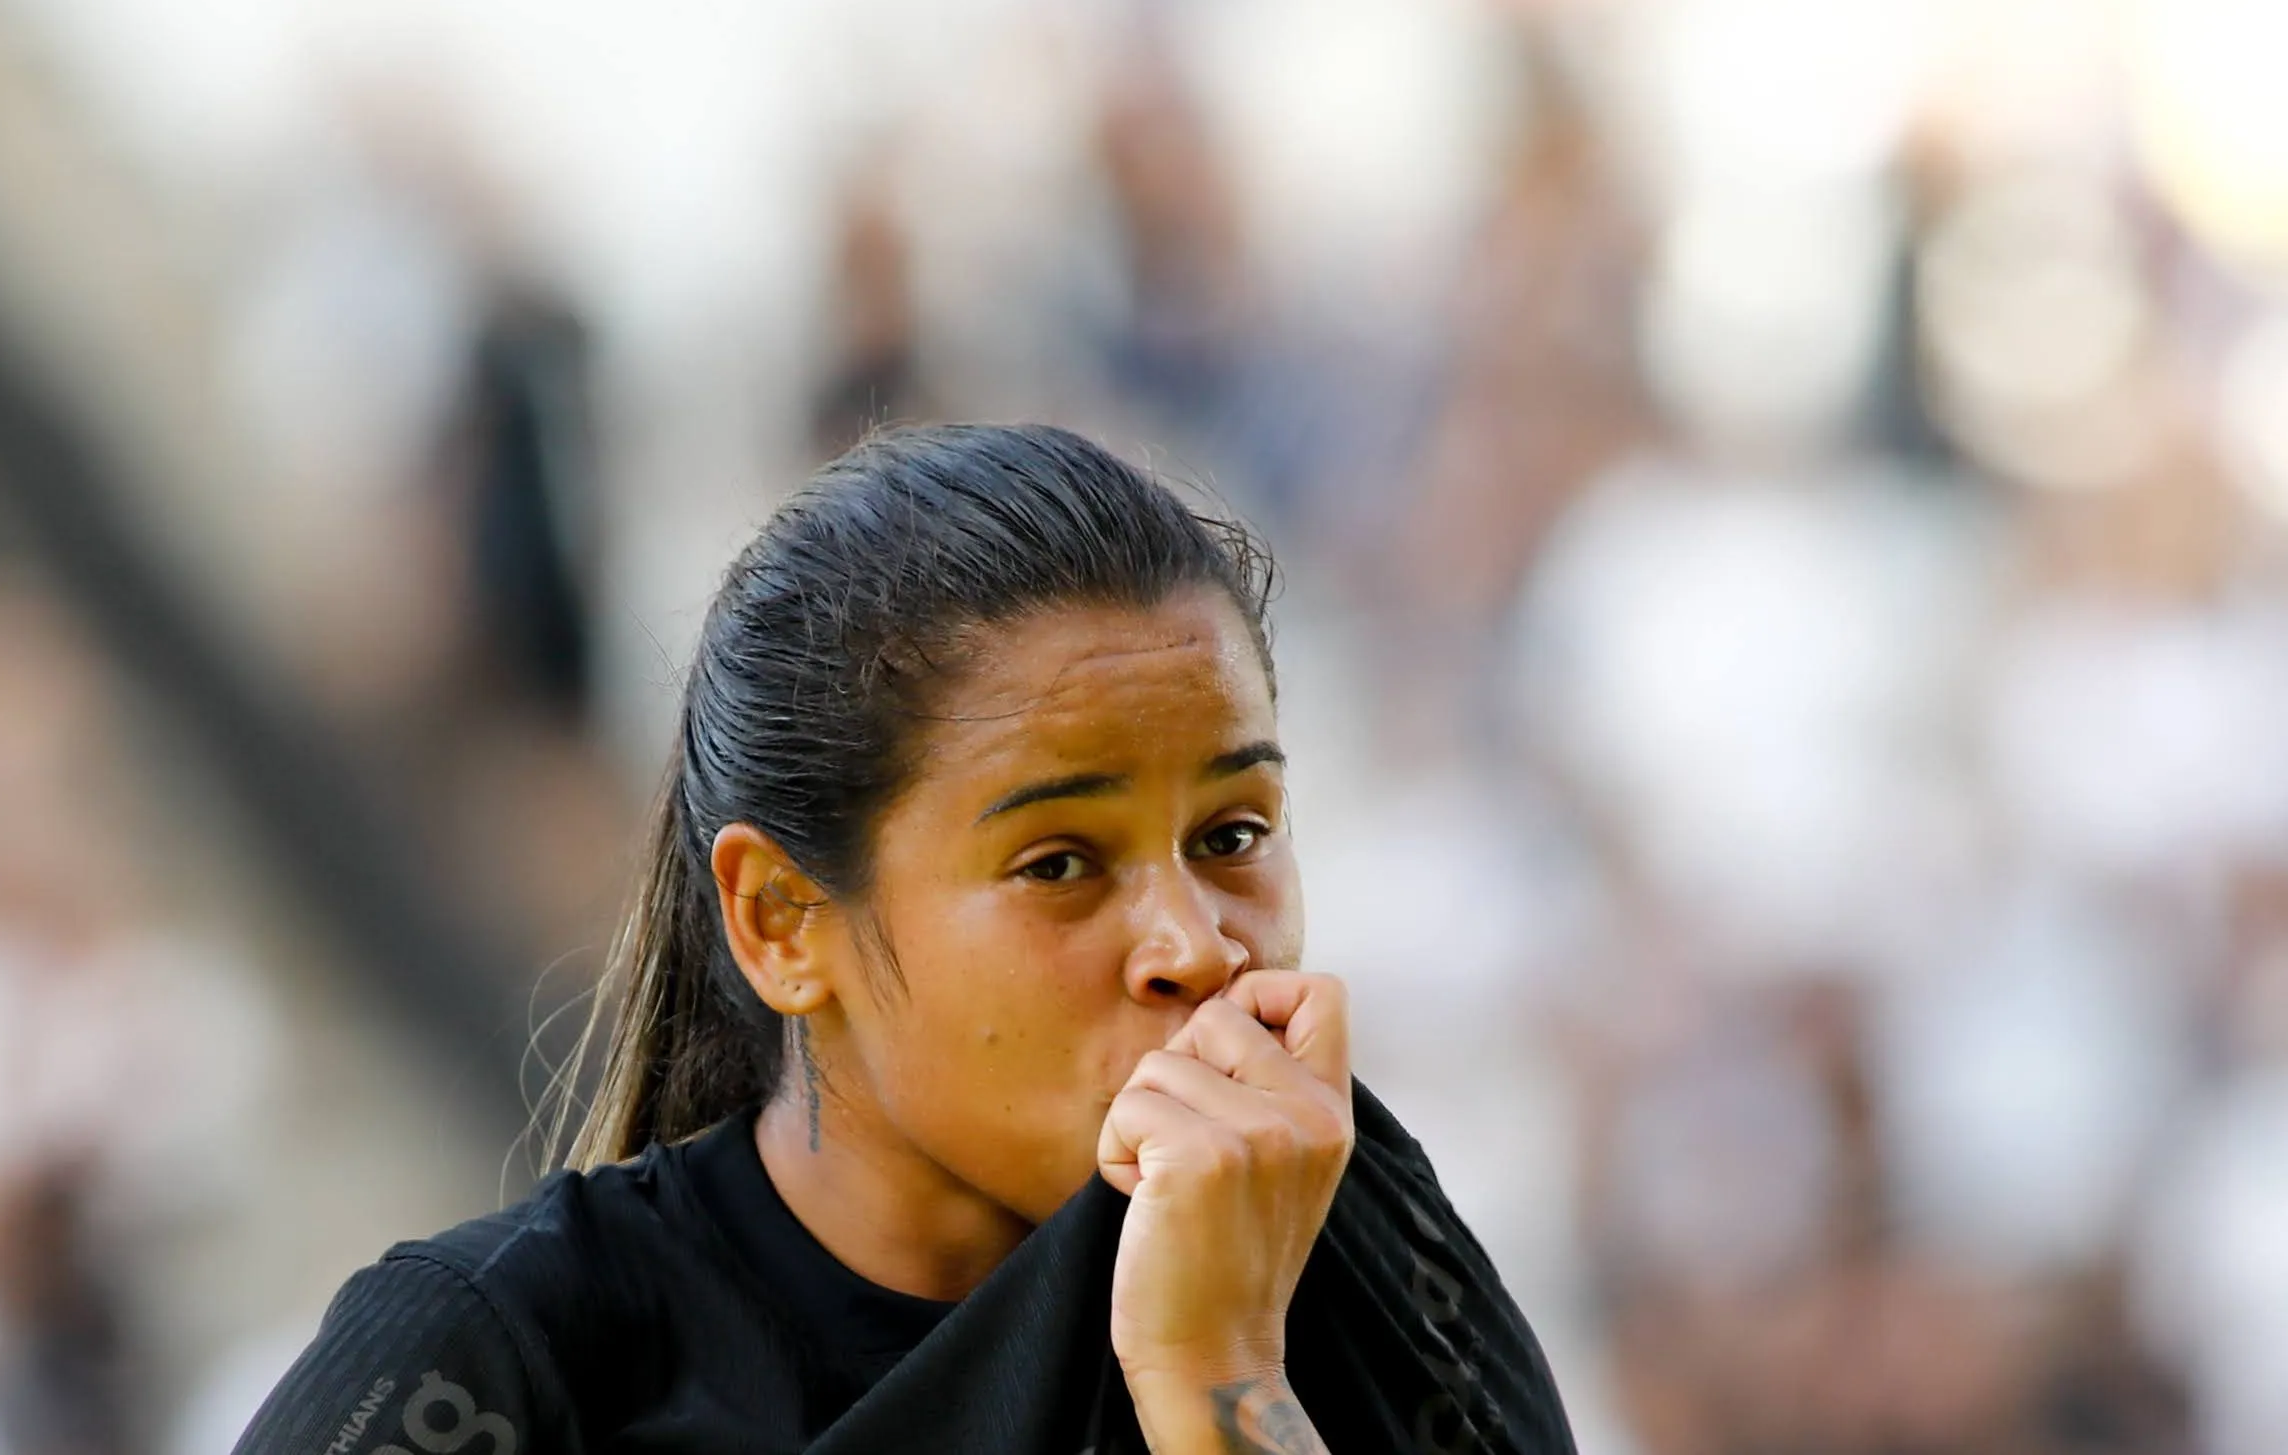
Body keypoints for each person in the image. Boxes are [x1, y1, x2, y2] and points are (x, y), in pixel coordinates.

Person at [232, 425, 1573, 1454]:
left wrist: (1219, 1373)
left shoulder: (1365, 1277)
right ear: (780, 920)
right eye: (1059, 861)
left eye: (1232, 834)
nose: (1194, 943)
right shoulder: (502, 1366)